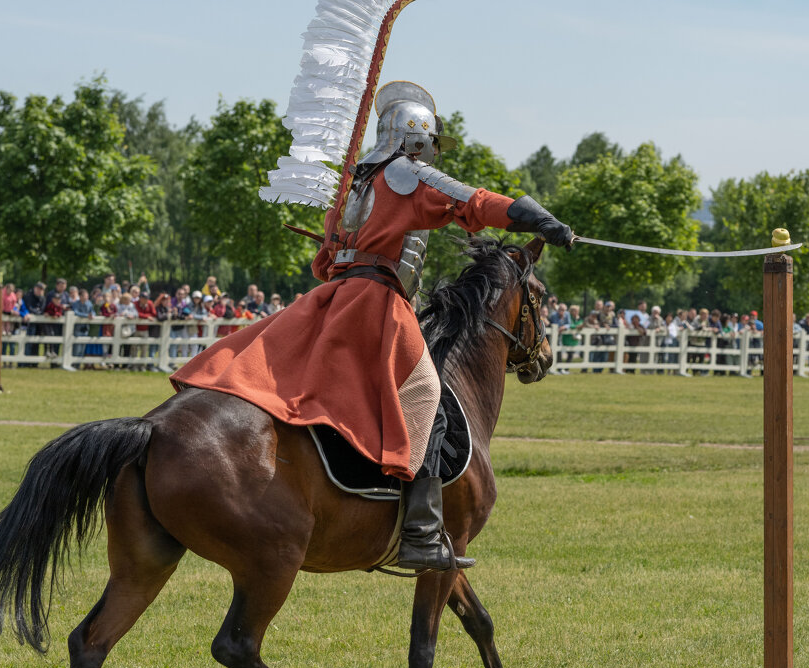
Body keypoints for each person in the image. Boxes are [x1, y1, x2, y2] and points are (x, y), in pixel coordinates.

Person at [173, 80, 573, 572]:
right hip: (378, 304)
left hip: (333, 298)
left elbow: (324, 263)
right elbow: (475, 203)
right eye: (431, 143)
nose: (433, 154)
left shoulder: (352, 185)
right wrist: (535, 219)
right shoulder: (409, 175)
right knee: (426, 399)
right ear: (418, 137)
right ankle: (424, 531)